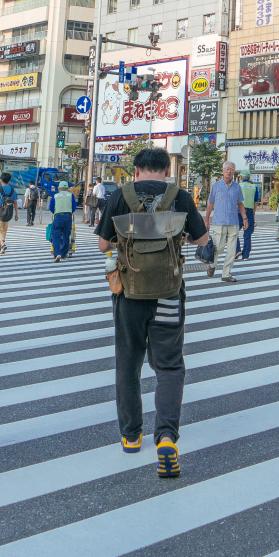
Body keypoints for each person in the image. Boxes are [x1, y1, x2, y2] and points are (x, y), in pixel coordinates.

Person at [98, 146, 210, 478]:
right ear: (166, 170)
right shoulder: (180, 196)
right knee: (170, 366)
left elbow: (104, 245)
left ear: (136, 171)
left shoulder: (121, 195)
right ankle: (166, 437)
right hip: (169, 294)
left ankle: (132, 436)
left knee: (128, 364)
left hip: (129, 296)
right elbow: (202, 239)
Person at [205, 163, 245, 282]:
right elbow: (210, 203)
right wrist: (206, 219)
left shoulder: (237, 187)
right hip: (219, 221)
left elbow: (240, 204)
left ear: (234, 172)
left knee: (232, 250)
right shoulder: (216, 186)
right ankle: (212, 265)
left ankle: (226, 274)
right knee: (219, 247)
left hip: (233, 222)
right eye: (227, 169)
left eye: (232, 169)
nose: (229, 171)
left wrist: (245, 218)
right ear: (223, 170)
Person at [48, 183, 76, 261]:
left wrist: (56, 212)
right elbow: (74, 206)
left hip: (58, 217)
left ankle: (57, 254)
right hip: (68, 217)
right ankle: (64, 254)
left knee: (56, 235)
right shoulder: (71, 195)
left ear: (59, 188)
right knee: (66, 236)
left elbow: (51, 207)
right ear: (67, 188)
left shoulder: (55, 196)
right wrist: (69, 212)